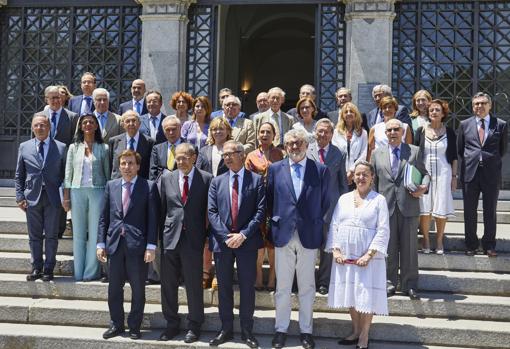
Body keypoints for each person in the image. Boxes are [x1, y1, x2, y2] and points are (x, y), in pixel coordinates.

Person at [267, 128, 330, 349]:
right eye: (291, 143)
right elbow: (269, 199)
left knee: (306, 286)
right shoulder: (275, 169)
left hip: (309, 233)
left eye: (299, 143)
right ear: (285, 146)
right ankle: (281, 329)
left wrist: (311, 220)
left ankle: (306, 331)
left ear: (307, 145)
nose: (295, 147)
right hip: (283, 233)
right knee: (283, 286)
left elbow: (325, 202)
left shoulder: (320, 170)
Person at [207, 140, 265, 348]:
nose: (227, 158)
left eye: (231, 153)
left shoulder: (256, 181)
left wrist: (242, 235)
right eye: (224, 155)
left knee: (247, 287)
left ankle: (247, 331)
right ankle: (226, 329)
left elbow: (260, 212)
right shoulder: (217, 181)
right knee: (223, 287)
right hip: (223, 244)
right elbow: (212, 213)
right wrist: (226, 236)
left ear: (242, 154)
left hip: (247, 242)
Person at [327, 161, 390, 349]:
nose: (361, 177)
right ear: (353, 177)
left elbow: (383, 230)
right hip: (346, 257)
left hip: (368, 258)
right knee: (351, 294)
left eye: (365, 174)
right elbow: (334, 225)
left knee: (366, 295)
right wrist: (336, 249)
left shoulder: (379, 200)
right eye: (358, 174)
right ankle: (355, 330)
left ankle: (364, 335)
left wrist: (368, 255)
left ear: (372, 178)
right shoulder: (343, 198)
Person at [97, 150, 158, 340]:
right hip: (114, 245)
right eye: (123, 163)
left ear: (138, 166)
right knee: (114, 288)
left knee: (138, 289)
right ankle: (116, 324)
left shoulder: (148, 187)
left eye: (131, 163)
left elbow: (153, 219)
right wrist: (100, 243)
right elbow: (103, 218)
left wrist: (151, 247)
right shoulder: (111, 185)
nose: (127, 167)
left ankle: (134, 326)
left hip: (138, 246)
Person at [158, 143, 213, 343]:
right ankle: (171, 324)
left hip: (194, 240)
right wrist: (158, 239)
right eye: (177, 158)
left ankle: (194, 325)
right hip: (170, 238)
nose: (180, 161)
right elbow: (162, 209)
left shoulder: (206, 179)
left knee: (193, 284)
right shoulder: (166, 178)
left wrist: (207, 236)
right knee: (168, 284)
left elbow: (210, 211)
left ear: (194, 157)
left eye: (184, 157)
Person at [371, 119, 429, 300]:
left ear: (402, 132)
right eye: (389, 130)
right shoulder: (376, 153)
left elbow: (425, 174)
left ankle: (409, 284)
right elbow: (373, 182)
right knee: (388, 247)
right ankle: (389, 283)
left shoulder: (414, 151)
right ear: (385, 133)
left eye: (397, 129)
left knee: (410, 248)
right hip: (385, 207)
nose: (393, 132)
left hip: (409, 205)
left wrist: (423, 187)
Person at [15, 113, 66, 282]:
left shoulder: (61, 147)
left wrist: (65, 197)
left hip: (53, 198)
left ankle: (49, 268)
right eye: (36, 125)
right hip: (31, 198)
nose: (40, 128)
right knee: (34, 236)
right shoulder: (24, 146)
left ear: (49, 127)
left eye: (43, 125)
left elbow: (65, 175)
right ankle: (36, 267)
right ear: (32, 128)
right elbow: (19, 175)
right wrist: (19, 196)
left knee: (51, 235)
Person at [457, 92, 508, 257]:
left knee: (490, 210)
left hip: (491, 174)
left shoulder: (500, 124)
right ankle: (471, 245)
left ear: (490, 105)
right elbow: (460, 149)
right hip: (470, 173)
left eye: (483, 103)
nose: (479, 106)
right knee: (469, 211)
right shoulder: (464, 124)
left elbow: (502, 150)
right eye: (476, 104)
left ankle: (489, 245)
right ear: (472, 107)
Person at [63, 113, 110, 281]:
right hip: (77, 191)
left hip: (98, 191)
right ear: (81, 127)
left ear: (96, 126)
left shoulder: (103, 148)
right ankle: (79, 272)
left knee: (95, 232)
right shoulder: (73, 147)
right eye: (85, 123)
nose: (88, 125)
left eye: (91, 122)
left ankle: (90, 273)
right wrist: (66, 196)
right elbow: (68, 173)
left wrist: (108, 197)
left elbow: (107, 174)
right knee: (79, 233)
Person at [307, 118, 348, 295]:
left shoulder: (338, 153)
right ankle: (306, 280)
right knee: (307, 247)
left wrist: (345, 206)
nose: (323, 134)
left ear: (332, 134)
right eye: (320, 131)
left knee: (327, 248)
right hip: (309, 208)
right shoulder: (306, 150)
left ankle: (324, 281)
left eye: (327, 132)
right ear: (315, 132)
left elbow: (342, 183)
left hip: (330, 208)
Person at [245, 122, 284, 292]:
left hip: (276, 203)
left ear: (274, 135)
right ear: (257, 135)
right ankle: (259, 276)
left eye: (268, 132)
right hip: (257, 202)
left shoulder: (280, 154)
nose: (265, 134)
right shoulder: (251, 156)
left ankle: (272, 279)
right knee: (259, 242)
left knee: (273, 244)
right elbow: (247, 180)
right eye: (262, 132)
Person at [414, 99, 457, 254]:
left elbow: (454, 157)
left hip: (444, 173)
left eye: (437, 110)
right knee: (425, 207)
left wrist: (454, 177)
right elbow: (416, 154)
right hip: (425, 173)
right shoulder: (420, 131)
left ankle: (439, 240)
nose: (434, 112)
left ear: (443, 113)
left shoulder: (450, 132)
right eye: (431, 110)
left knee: (441, 206)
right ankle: (425, 239)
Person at [196, 117, 232, 290]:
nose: (218, 132)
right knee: (206, 236)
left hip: (226, 197)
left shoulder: (231, 150)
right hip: (206, 196)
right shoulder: (203, 151)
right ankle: (205, 271)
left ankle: (218, 273)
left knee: (221, 234)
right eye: (214, 129)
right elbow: (198, 173)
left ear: (227, 131)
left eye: (221, 129)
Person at [40, 85, 78, 239]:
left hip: (64, 165)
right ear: (46, 99)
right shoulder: (39, 116)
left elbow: (75, 142)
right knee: (42, 198)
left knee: (62, 196)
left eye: (58, 97)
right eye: (52, 97)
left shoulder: (72, 117)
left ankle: (60, 230)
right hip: (43, 166)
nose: (56, 100)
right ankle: (44, 229)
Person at [109, 110, 154, 180]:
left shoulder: (149, 142)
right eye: (127, 121)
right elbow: (110, 165)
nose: (131, 123)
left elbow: (151, 167)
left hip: (141, 184)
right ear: (122, 124)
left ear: (139, 123)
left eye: (134, 120)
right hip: (118, 184)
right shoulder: (114, 141)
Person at [332, 102, 368, 189]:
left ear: (356, 114)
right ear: (342, 115)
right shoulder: (336, 132)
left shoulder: (363, 133)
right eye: (346, 112)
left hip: (356, 174)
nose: (348, 114)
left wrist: (351, 171)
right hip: (339, 172)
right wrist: (344, 173)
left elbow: (364, 153)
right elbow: (335, 152)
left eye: (351, 111)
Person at [367, 96, 412, 160]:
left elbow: (408, 148)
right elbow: (370, 151)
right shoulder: (375, 129)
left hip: (400, 162)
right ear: (381, 110)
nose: (387, 109)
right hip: (381, 163)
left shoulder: (405, 127)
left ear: (395, 109)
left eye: (390, 107)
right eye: (384, 107)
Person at [149, 116, 184, 181]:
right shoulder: (157, 149)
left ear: (180, 128)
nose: (171, 133)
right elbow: (153, 172)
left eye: (174, 129)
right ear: (163, 131)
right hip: (162, 187)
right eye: (168, 130)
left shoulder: (189, 147)